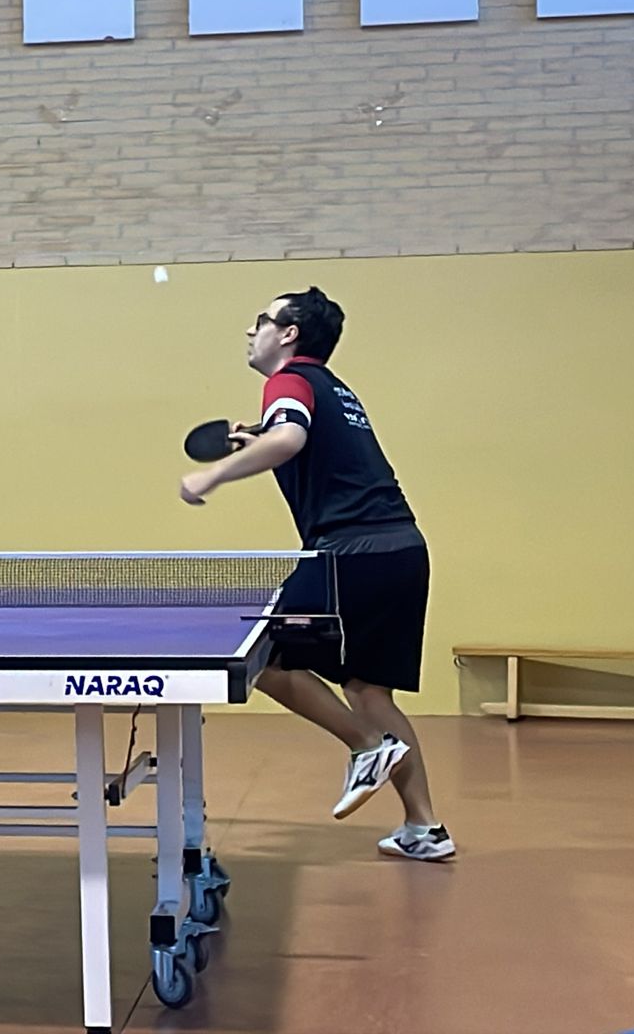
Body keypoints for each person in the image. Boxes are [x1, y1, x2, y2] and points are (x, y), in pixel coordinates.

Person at [177, 288, 455, 862]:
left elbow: (290, 439)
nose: (250, 330)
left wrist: (214, 476)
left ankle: (365, 745)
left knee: (261, 655)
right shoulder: (332, 388)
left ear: (290, 334)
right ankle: (424, 827)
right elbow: (306, 444)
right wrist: (259, 439)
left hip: (350, 552)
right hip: (401, 549)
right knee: (369, 691)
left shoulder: (289, 379)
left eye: (262, 320)